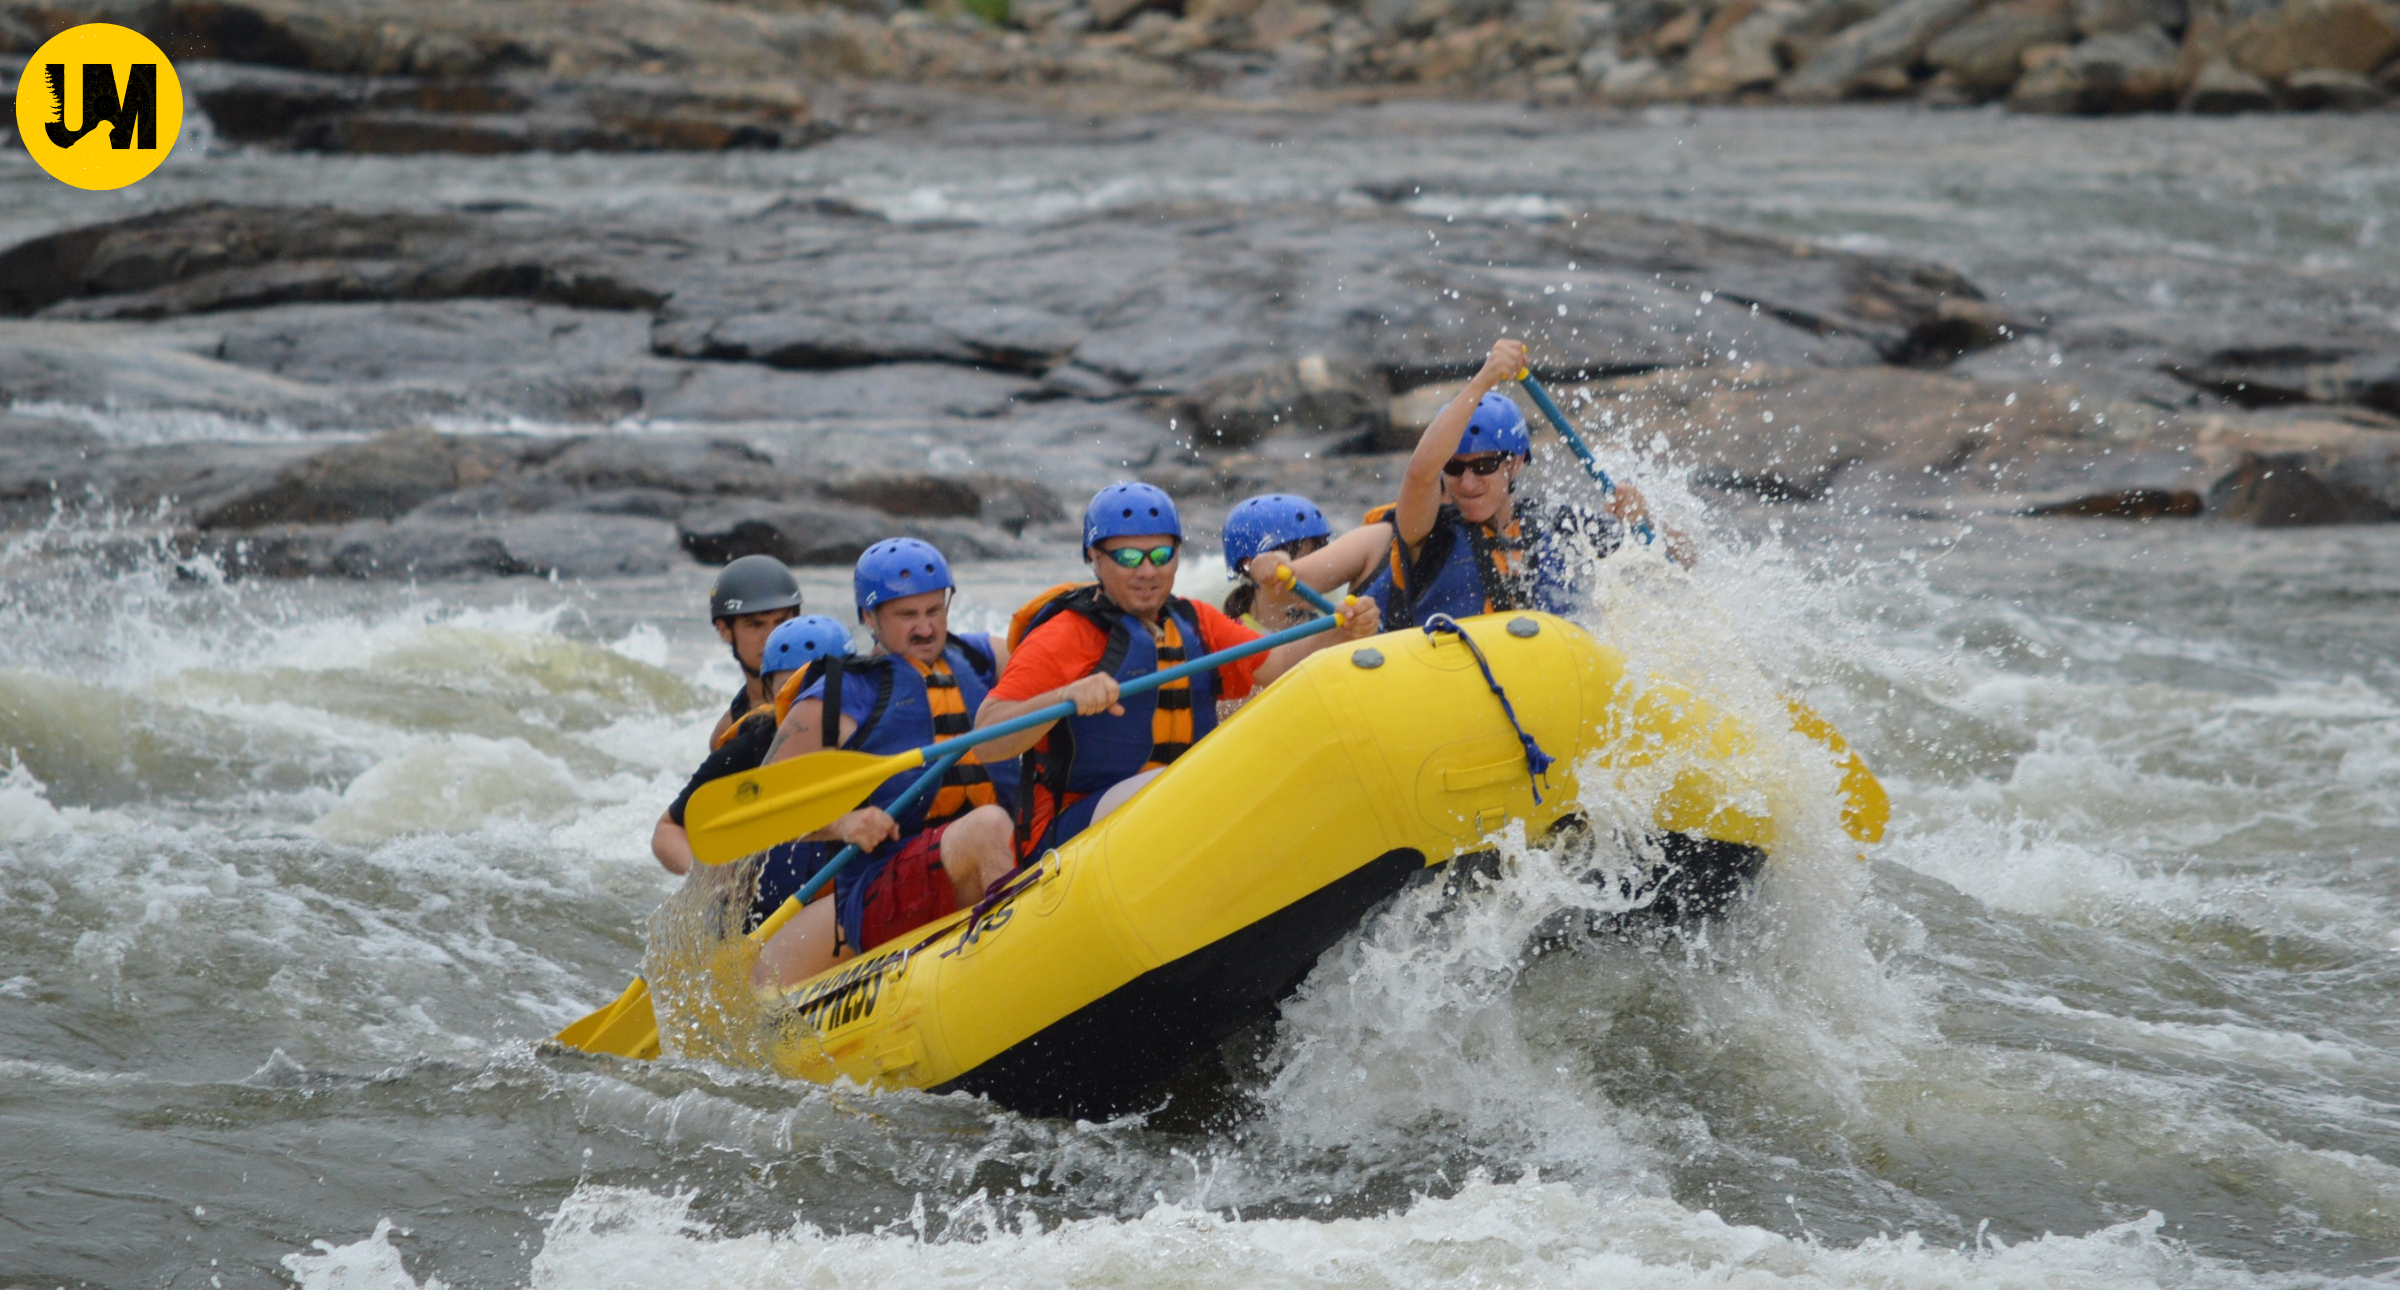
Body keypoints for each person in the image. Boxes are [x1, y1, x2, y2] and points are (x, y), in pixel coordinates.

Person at [973, 482, 1381, 864]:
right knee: (1179, 785)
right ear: (1095, 559)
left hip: (1179, 811)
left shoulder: (1196, 622)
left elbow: (1276, 665)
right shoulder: (1062, 636)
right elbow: (987, 739)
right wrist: (1062, 698)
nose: (1148, 571)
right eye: (1129, 557)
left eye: (1161, 555)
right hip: (1069, 834)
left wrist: (1339, 632)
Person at [1255, 337, 1679, 629]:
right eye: (1455, 468)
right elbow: (1421, 472)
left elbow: (1679, 561)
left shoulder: (1558, 524)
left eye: (1485, 466)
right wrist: (1484, 379)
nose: (1468, 482)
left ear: (1514, 465)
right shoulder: (1426, 530)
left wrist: (1647, 521)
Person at [751, 538, 1021, 987]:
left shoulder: (979, 658)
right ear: (868, 618)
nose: (925, 629)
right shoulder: (843, 694)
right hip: (884, 885)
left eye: (934, 611)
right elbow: (763, 805)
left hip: (978, 857)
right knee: (989, 826)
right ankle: (1014, 974)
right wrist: (842, 823)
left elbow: (1050, 660)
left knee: (1006, 825)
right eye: (906, 615)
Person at [651, 614, 853, 887]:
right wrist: (712, 877)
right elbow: (668, 830)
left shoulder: (884, 730)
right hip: (771, 901)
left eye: (817, 691)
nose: (806, 706)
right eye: (790, 692)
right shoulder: (750, 746)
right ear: (769, 695)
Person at [703, 554, 806, 747]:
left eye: (781, 622)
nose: (772, 637)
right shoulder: (726, 735)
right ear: (725, 630)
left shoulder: (836, 691)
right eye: (755, 625)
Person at [1219, 492, 1332, 628]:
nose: (1318, 577)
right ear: (1250, 566)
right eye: (1303, 563)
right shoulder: (1230, 638)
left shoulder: (1328, 625)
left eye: (1318, 563)